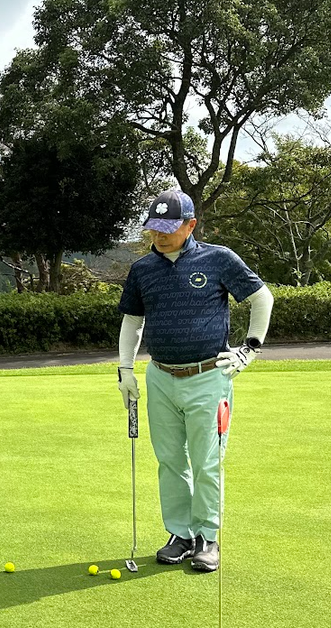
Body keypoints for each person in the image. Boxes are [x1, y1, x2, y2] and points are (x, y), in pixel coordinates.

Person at [116, 190, 274, 572]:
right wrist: (125, 370)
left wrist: (250, 348)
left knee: (207, 462)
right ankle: (180, 535)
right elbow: (133, 321)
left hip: (208, 376)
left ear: (190, 225)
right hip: (160, 377)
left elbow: (262, 298)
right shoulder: (142, 269)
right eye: (154, 228)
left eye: (168, 228)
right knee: (170, 460)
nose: (160, 235)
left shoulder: (218, 259)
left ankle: (207, 537)